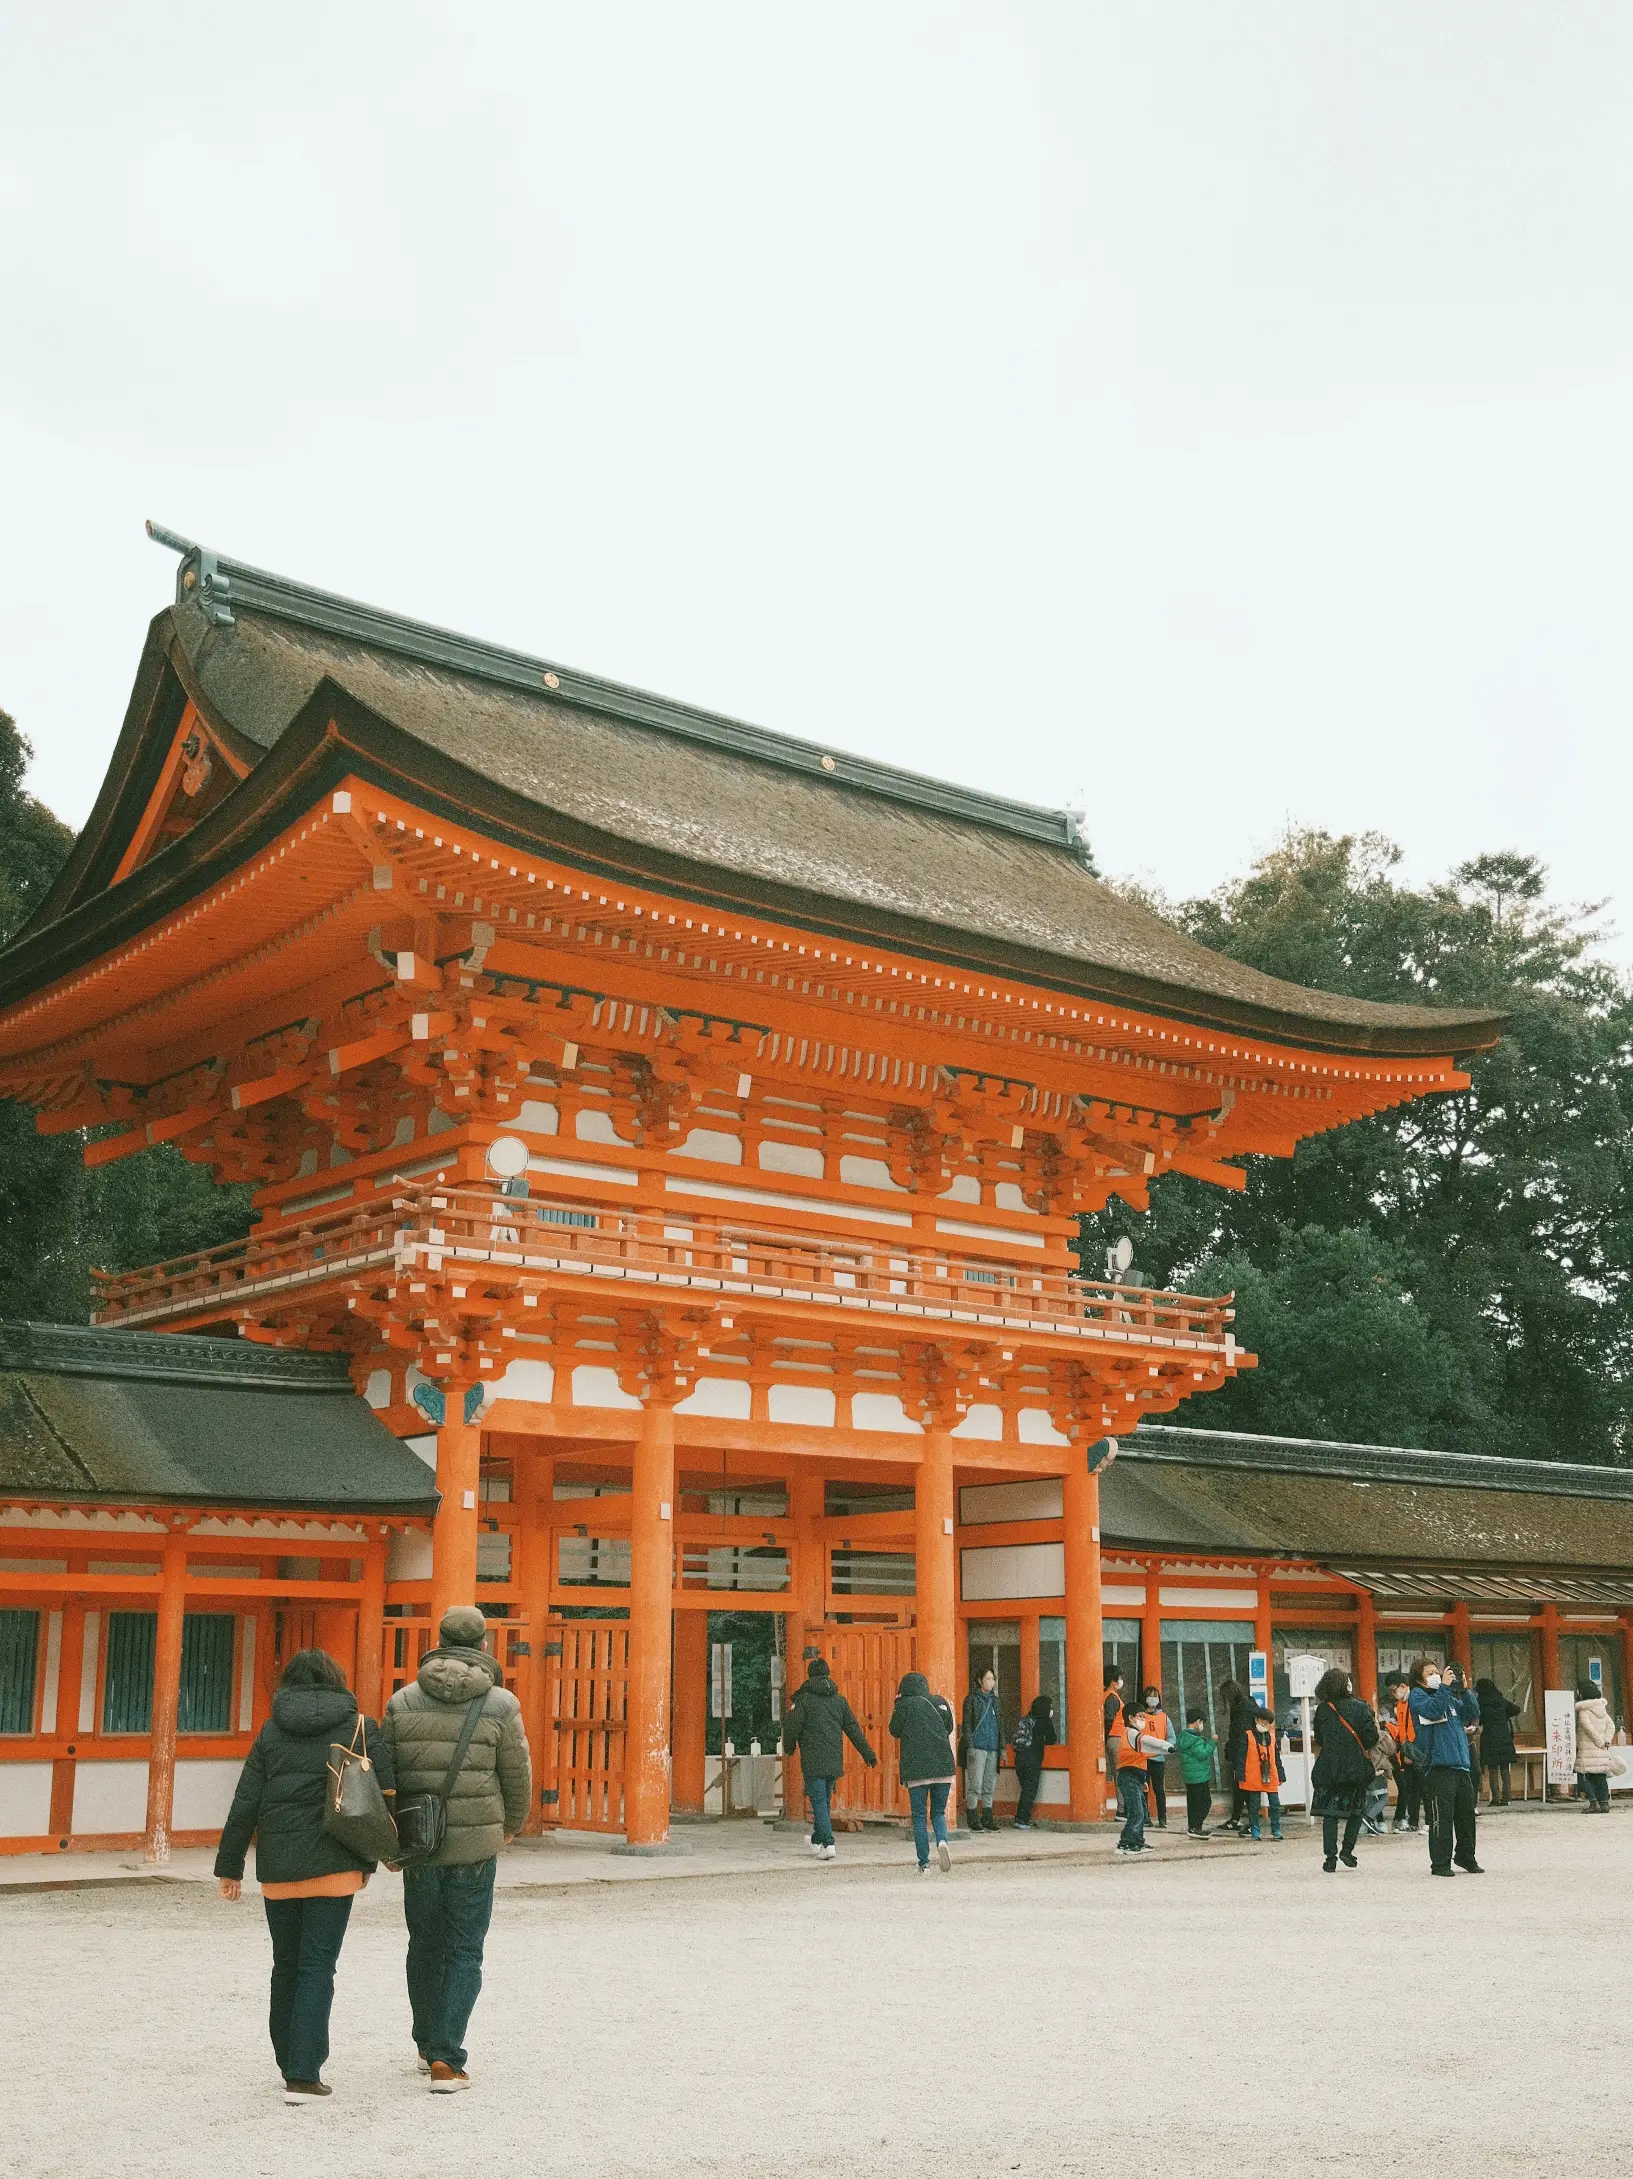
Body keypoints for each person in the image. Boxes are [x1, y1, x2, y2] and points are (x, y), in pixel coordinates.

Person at [215, 1647, 395, 2104]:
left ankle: (287, 2062)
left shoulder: (272, 1732)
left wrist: (229, 1867)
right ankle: (304, 2072)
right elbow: (381, 1795)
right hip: (336, 1864)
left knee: (286, 1966)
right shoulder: (360, 1727)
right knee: (318, 1966)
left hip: (278, 1868)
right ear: (337, 1681)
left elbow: (245, 1801)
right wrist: (376, 1857)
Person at [383, 1604, 532, 2091]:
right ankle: (448, 2056)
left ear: (440, 1640)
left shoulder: (402, 1702)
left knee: (423, 1943)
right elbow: (516, 1774)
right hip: (474, 1847)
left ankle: (427, 2044)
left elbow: (388, 1776)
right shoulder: (501, 1705)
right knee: (465, 1950)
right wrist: (508, 1825)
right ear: (484, 1645)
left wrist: (390, 1833)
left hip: (421, 1844)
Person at [781, 1655, 878, 1857]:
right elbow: (854, 1730)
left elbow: (792, 1728)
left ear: (810, 1675)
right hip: (834, 1758)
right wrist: (868, 1755)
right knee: (823, 1800)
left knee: (819, 1801)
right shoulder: (839, 1701)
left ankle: (828, 1844)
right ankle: (816, 1840)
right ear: (827, 1674)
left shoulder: (804, 1701)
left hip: (813, 1759)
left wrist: (789, 1748)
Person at [1407, 1655, 1482, 1877]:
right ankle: (1440, 1863)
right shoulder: (1418, 1696)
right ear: (1419, 1679)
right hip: (1438, 1767)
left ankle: (1466, 1856)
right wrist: (1445, 1689)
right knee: (1442, 1817)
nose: (1435, 1676)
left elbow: (1471, 1714)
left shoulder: (1448, 1696)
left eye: (1436, 1672)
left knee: (1466, 1816)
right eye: (1429, 1673)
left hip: (1460, 1765)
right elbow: (1433, 1711)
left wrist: (1466, 1691)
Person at [1309, 1667, 1378, 1872]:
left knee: (1330, 1813)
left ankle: (1330, 1858)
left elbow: (1319, 1738)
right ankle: (1347, 1850)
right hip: (1355, 1767)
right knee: (1356, 1810)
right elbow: (1371, 1738)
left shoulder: (1323, 1709)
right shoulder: (1361, 1707)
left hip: (1329, 1767)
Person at [890, 1670, 958, 1873]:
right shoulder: (939, 1702)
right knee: (938, 1812)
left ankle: (924, 1864)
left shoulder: (905, 1705)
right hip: (944, 1766)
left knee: (919, 1816)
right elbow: (949, 1727)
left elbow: (894, 1730)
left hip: (917, 1769)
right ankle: (942, 1842)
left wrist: (897, 1704)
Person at [960, 1666, 1003, 1832]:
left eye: (993, 1679)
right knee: (975, 1784)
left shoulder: (995, 1701)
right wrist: (970, 1745)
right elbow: (968, 1724)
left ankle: (987, 1817)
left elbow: (1001, 1725)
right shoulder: (971, 1699)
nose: (991, 1682)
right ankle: (972, 1817)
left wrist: (1002, 1748)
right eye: (988, 1679)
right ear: (980, 1681)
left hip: (992, 1747)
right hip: (977, 1746)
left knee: (988, 1785)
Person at [1110, 1692, 1152, 1856]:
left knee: (1141, 1811)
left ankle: (1138, 1841)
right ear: (1130, 1718)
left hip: (1136, 1777)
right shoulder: (1129, 1734)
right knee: (1137, 1812)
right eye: (1140, 1716)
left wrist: (1143, 1779)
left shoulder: (1136, 1735)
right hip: (1128, 1778)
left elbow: (1139, 1760)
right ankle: (1126, 1843)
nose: (1143, 1720)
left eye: (1144, 1716)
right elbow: (1129, 1762)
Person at [1474, 1677, 1522, 1806]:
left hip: (1489, 1737)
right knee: (1505, 1770)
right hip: (1504, 1736)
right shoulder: (1500, 1700)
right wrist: (1504, 1716)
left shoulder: (1480, 1702)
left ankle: (1495, 1799)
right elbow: (1516, 1709)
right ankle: (1507, 1798)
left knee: (1493, 1770)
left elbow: (1479, 1719)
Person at [1215, 1676, 1254, 1832]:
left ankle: (1251, 1821)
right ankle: (1238, 1818)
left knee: (1244, 1787)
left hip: (1243, 1753)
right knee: (1240, 1787)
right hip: (1248, 1751)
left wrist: (1231, 1752)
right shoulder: (1250, 1705)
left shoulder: (1240, 1709)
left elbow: (1239, 1735)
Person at [1010, 1694, 1055, 1830]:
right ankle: (1021, 1819)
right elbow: (1052, 1739)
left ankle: (1023, 1818)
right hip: (1033, 1760)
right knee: (1030, 1791)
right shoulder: (1045, 1721)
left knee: (1025, 1790)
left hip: (1020, 1759)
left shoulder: (1026, 1719)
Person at [1239, 1707, 1284, 1841]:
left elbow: (1276, 1758)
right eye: (1261, 1721)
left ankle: (1276, 1829)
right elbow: (1241, 1757)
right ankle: (1255, 1831)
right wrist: (1241, 1774)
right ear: (1256, 1720)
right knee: (1254, 1806)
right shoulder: (1247, 1735)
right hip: (1253, 1776)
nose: (1263, 1725)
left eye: (1266, 1723)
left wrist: (1281, 1774)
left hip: (1270, 1775)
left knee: (1275, 1804)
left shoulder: (1272, 1737)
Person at [1139, 1684, 1177, 1830]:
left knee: (1159, 1790)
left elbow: (1171, 1737)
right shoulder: (1140, 1716)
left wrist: (1168, 1747)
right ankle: (1146, 1817)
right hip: (1143, 1758)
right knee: (1144, 1789)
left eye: (1155, 1696)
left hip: (1158, 1759)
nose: (1153, 1699)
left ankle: (1163, 1818)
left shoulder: (1164, 1717)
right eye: (1150, 1696)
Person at [1574, 1681, 1616, 1813]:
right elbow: (1611, 1726)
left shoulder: (1584, 1710)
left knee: (1583, 1775)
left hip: (1587, 1749)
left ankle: (1593, 1803)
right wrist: (1606, 1740)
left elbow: (1587, 1728)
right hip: (1602, 1749)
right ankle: (1604, 1804)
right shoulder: (1602, 1709)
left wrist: (1599, 1741)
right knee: (1600, 1777)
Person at [1387, 1675, 1422, 1833]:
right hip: (1406, 1749)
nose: (1394, 1694)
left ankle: (1428, 1822)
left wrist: (1412, 1749)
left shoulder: (1416, 1699)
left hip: (1417, 1749)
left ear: (1403, 1686)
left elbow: (1415, 1728)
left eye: (1394, 1690)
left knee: (1424, 1788)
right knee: (1410, 1788)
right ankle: (1412, 1821)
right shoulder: (1399, 1705)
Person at [1176, 1708, 1217, 1837]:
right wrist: (1212, 1742)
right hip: (1199, 1776)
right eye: (1202, 1722)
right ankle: (1197, 1827)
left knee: (1193, 1803)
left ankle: (1192, 1826)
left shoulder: (1184, 1736)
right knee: (1205, 1802)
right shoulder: (1195, 1739)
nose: (1202, 1725)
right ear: (1198, 1722)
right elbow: (1202, 1754)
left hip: (1190, 1776)